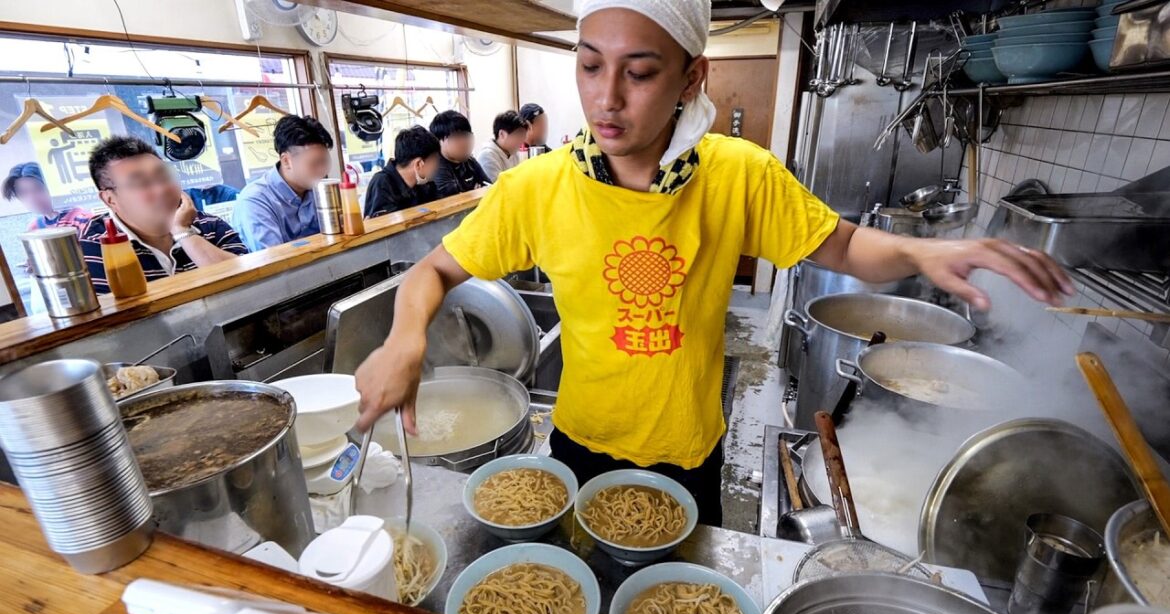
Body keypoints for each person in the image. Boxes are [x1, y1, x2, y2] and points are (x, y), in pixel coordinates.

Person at [353, 0, 1072, 526]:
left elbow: (846, 246)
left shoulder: (736, 176)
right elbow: (433, 273)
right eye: (590, 66)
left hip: (687, 448)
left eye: (638, 72)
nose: (607, 98)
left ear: (692, 77)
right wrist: (403, 338)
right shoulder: (536, 187)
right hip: (578, 441)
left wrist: (926, 251)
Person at [80, 136, 247, 295]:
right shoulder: (95, 249)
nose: (162, 189)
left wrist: (183, 232)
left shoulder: (209, 225)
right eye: (142, 183)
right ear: (110, 199)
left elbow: (249, 284)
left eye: (164, 177)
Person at [232, 115, 333, 251]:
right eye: (315, 163)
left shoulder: (318, 189)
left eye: (324, 162)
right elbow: (274, 260)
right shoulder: (255, 201)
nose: (322, 170)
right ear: (286, 161)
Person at [364, 126, 441, 218]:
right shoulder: (382, 183)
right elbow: (386, 226)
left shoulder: (426, 184)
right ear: (419, 164)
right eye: (435, 160)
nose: (437, 165)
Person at [3, 162, 91, 232]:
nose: (32, 198)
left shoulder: (82, 220)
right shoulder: (35, 227)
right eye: (23, 193)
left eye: (39, 188)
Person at [430, 110, 490, 198]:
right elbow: (453, 202)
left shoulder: (470, 161)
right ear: (439, 141)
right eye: (457, 137)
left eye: (466, 135)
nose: (464, 142)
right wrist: (473, 194)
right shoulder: (435, 167)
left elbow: (490, 188)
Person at [475, 110, 528, 182]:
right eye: (519, 135)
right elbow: (497, 188)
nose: (522, 140)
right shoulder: (487, 156)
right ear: (502, 134)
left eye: (523, 136)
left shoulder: (513, 152)